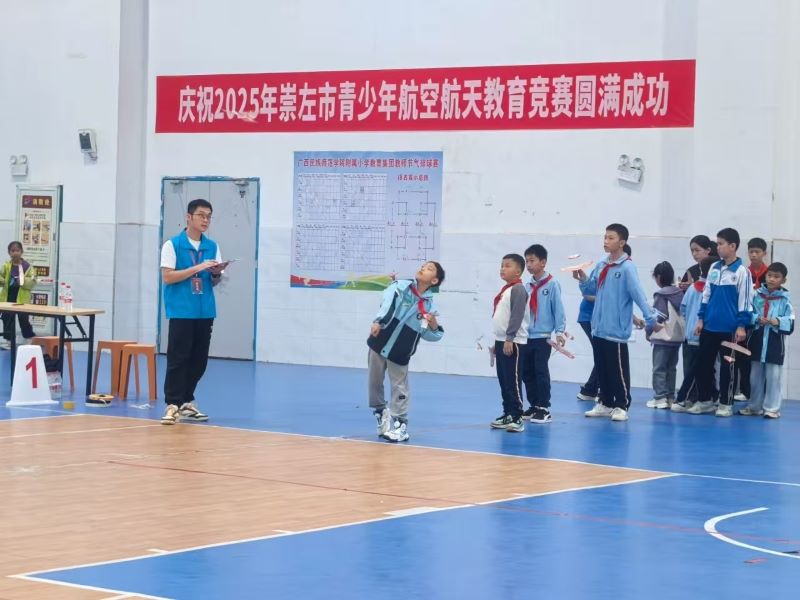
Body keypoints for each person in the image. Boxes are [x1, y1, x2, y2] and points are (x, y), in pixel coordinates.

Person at [574, 224, 656, 421]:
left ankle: (621, 405)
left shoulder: (627, 267)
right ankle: (605, 402)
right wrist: (583, 279)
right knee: (602, 367)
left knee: (617, 369)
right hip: (598, 326)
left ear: (622, 242)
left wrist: (650, 317)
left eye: (611, 238)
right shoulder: (602, 264)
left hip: (616, 329)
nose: (606, 241)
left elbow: (638, 294)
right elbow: (591, 289)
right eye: (605, 237)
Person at [160, 199, 225, 425]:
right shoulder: (172, 245)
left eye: (209, 216)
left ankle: (187, 402)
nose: (205, 220)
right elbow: (168, 277)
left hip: (205, 310)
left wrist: (216, 273)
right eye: (201, 215)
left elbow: (214, 281)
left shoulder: (212, 246)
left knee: (199, 361)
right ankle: (172, 403)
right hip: (181, 310)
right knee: (178, 358)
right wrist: (197, 267)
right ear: (189, 217)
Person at [367, 261, 445, 442]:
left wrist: (434, 326)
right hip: (380, 341)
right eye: (423, 265)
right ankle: (380, 412)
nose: (423, 268)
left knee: (399, 387)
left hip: (401, 351)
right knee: (374, 382)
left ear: (434, 281)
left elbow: (430, 335)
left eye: (429, 268)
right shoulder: (400, 286)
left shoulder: (429, 307)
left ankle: (400, 425)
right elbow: (387, 304)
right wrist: (378, 321)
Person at [689, 227, 753, 417]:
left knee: (728, 368)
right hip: (709, 326)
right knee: (702, 364)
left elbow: (745, 301)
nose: (717, 247)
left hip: (730, 329)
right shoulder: (714, 268)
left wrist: (741, 325)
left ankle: (725, 403)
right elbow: (706, 294)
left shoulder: (742, 272)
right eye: (717, 243)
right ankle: (705, 400)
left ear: (732, 246)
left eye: (721, 244)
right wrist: (701, 318)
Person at [576, 243, 631, 403]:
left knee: (604, 356)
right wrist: (583, 280)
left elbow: (622, 299)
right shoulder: (602, 266)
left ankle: (596, 391)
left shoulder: (624, 269)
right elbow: (589, 293)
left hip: (604, 320)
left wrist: (642, 317)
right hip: (590, 317)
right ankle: (594, 391)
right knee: (602, 356)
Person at [739, 262, 794, 418]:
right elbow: (748, 313)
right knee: (754, 377)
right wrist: (756, 318)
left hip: (774, 344)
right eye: (769, 275)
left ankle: (772, 409)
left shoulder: (785, 300)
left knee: (774, 377)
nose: (772, 279)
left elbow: (791, 322)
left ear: (783, 280)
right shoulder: (756, 295)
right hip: (757, 341)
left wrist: (778, 321)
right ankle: (754, 406)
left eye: (776, 277)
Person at [521, 244, 565, 423]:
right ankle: (534, 405)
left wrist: (560, 331)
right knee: (527, 372)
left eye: (532, 261)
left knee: (541, 371)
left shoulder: (552, 284)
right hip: (526, 336)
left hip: (543, 337)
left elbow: (558, 310)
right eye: (526, 261)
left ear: (543, 262)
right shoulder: (527, 286)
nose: (529, 265)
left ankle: (544, 407)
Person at [490, 254, 530, 432]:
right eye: (501, 265)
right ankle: (507, 413)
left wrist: (510, 338)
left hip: (513, 342)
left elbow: (516, 315)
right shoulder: (506, 290)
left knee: (513, 380)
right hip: (502, 340)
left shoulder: (518, 289)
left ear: (518, 271)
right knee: (504, 380)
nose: (502, 269)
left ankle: (517, 416)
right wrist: (497, 341)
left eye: (507, 266)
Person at [672, 256, 718, 412]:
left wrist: (690, 322)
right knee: (697, 370)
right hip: (703, 335)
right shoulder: (713, 290)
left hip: (689, 334)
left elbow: (683, 309)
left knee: (703, 369)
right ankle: (683, 399)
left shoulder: (691, 288)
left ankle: (713, 396)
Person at [734, 237, 769, 401]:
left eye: (757, 252)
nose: (754, 255)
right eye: (751, 252)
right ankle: (745, 390)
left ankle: (761, 393)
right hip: (745, 321)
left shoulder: (770, 274)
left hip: (762, 322)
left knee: (760, 359)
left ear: (764, 253)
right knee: (743, 356)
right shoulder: (743, 272)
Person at [645, 261, 684, 409]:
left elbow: (658, 317)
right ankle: (670, 396)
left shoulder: (661, 295)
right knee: (671, 368)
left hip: (662, 338)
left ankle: (660, 397)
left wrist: (648, 331)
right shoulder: (680, 293)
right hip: (676, 338)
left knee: (659, 368)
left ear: (659, 277)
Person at [0, 241, 37, 349]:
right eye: (13, 251)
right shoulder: (6, 266)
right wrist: (3, 280)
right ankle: (9, 341)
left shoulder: (28, 266)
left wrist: (23, 281)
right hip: (8, 297)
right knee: (7, 319)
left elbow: (33, 280)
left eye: (17, 250)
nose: (15, 253)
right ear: (9, 252)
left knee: (23, 319)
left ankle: (29, 339)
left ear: (21, 252)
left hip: (22, 299)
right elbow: (1, 276)